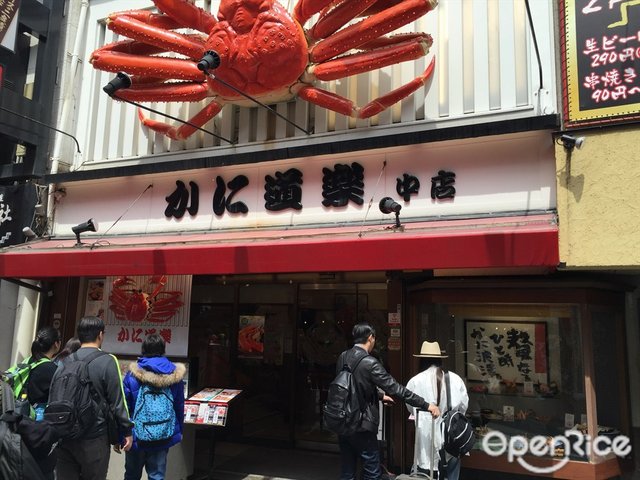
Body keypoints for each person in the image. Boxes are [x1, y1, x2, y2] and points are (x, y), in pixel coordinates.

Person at [337, 323, 440, 480]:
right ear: (370, 338)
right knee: (372, 471)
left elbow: (350, 387)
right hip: (362, 425)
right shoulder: (369, 362)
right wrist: (426, 404)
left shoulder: (343, 357)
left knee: (347, 471)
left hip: (343, 422)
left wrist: (379, 396)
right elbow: (396, 389)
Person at [53, 316, 134, 480]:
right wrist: (126, 431)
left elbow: (53, 396)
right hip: (95, 436)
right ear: (100, 335)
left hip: (64, 434)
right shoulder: (108, 361)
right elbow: (118, 401)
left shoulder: (63, 361)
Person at [122, 333, 186, 480]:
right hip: (164, 435)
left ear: (143, 349)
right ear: (163, 349)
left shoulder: (132, 375)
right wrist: (179, 430)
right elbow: (179, 406)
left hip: (136, 435)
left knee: (131, 475)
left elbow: (124, 406)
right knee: (157, 476)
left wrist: (122, 433)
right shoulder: (175, 375)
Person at [406, 341, 469, 480]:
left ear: (422, 360)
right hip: (451, 437)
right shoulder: (455, 379)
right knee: (451, 473)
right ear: (440, 359)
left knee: (423, 473)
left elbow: (410, 407)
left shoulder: (415, 381)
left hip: (425, 437)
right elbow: (463, 406)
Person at [27, 326, 61, 420]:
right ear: (56, 344)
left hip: (23, 414)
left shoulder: (28, 361)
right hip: (39, 420)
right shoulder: (52, 369)